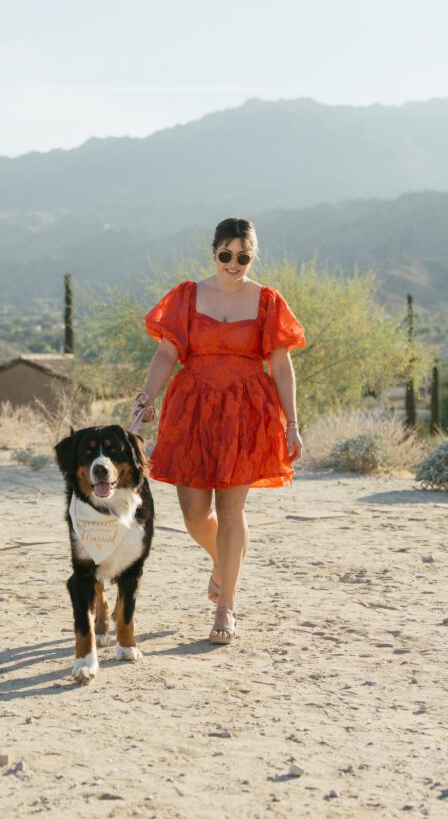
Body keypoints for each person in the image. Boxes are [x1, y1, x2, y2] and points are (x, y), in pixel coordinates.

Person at [132, 217, 305, 644]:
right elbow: (166, 353)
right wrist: (147, 396)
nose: (234, 263)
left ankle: (226, 605)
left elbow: (281, 366)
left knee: (232, 512)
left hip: (248, 413)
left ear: (253, 256)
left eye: (243, 256)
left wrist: (293, 423)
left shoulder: (267, 301)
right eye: (226, 254)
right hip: (191, 410)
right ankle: (221, 561)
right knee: (193, 515)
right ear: (214, 252)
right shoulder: (188, 295)